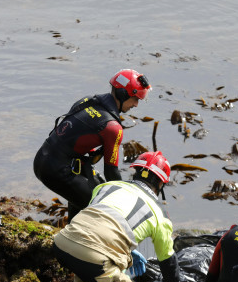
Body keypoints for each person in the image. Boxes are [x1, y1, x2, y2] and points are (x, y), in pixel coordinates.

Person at [52, 151, 185, 282]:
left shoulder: (105, 187)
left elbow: (96, 223)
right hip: (95, 256)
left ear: (135, 172)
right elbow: (167, 260)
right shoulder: (158, 215)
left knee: (86, 266)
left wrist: (128, 251)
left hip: (63, 242)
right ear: (160, 185)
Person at [34, 69, 151, 220]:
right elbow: (111, 173)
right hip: (56, 172)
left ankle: (71, 230)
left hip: (42, 159)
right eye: (135, 99)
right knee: (102, 208)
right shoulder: (112, 128)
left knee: (87, 189)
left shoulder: (88, 101)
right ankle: (74, 239)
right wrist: (127, 200)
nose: (136, 104)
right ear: (123, 94)